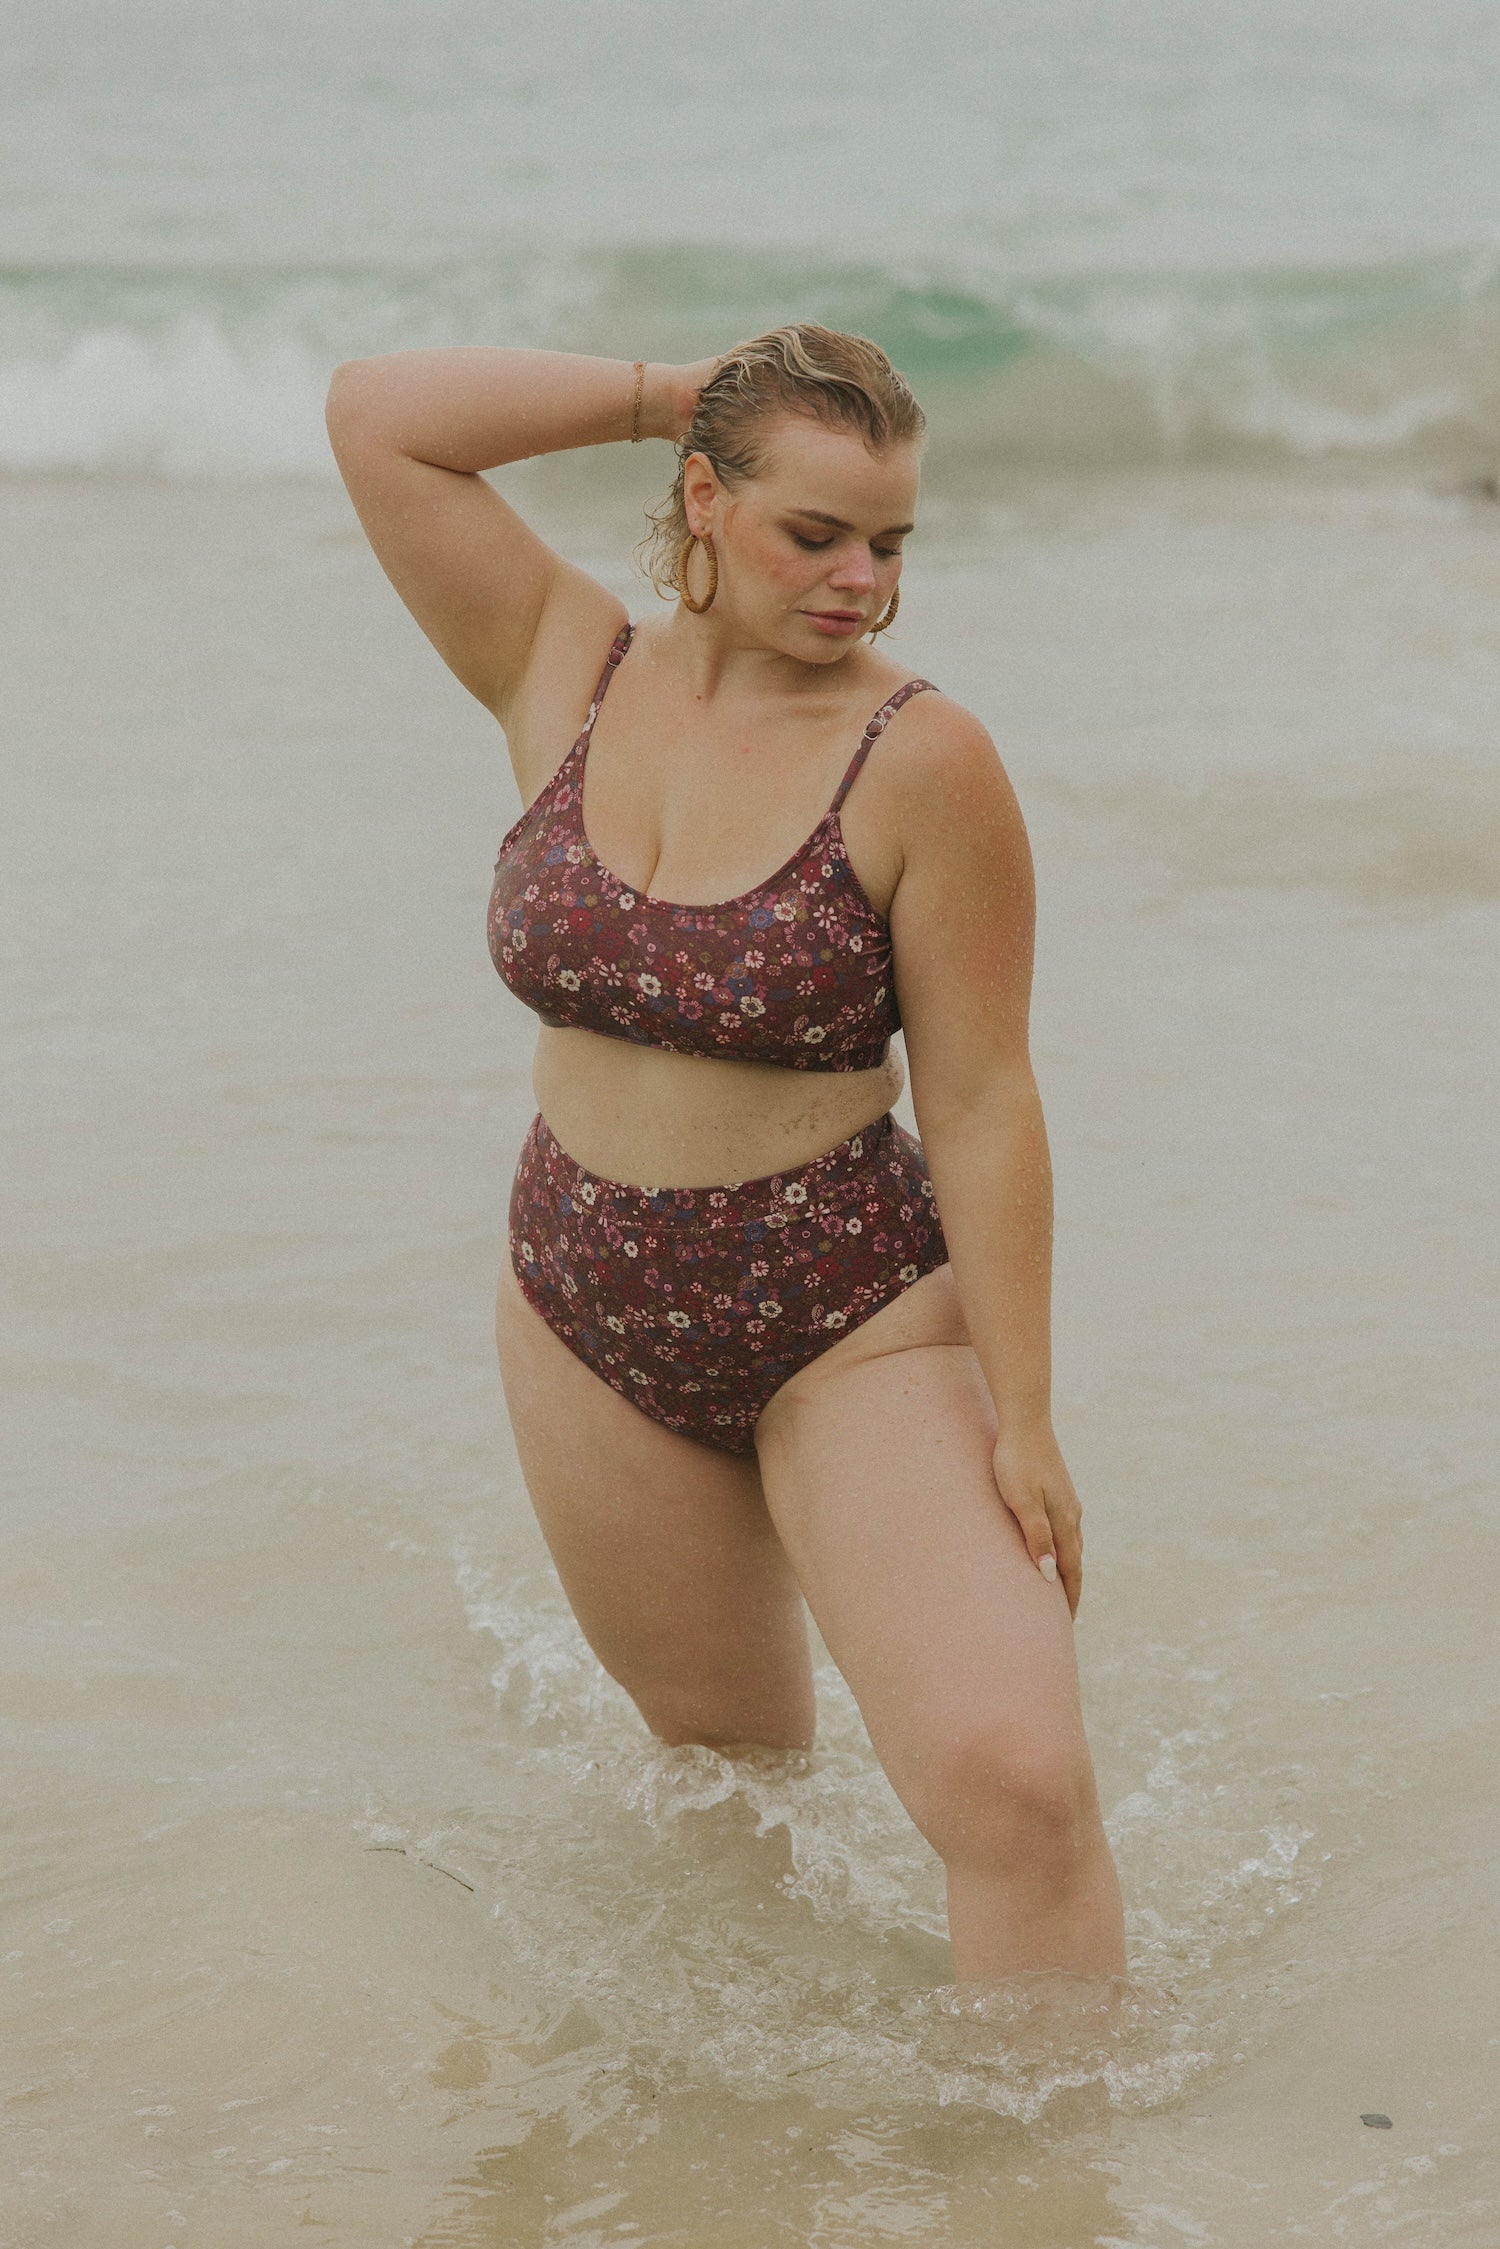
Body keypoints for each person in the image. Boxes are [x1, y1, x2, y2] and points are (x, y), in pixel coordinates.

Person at [324, 325, 1126, 1982]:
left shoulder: (923, 757)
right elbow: (381, 420)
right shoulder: (562, 656)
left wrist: (1028, 1412)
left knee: (1018, 1788)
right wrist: (658, 387)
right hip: (583, 1306)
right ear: (702, 496)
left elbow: (980, 1100)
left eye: (891, 543)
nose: (861, 582)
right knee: (725, 1781)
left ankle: (1057, 2186)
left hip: (844, 1314)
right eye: (813, 534)